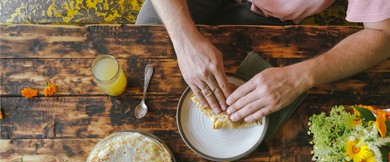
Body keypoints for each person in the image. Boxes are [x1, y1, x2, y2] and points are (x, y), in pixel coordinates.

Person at [136, 0, 390, 123]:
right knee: (144, 58)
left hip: (270, 19)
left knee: (266, 120)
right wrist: (184, 39)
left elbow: (383, 35)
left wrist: (299, 77)